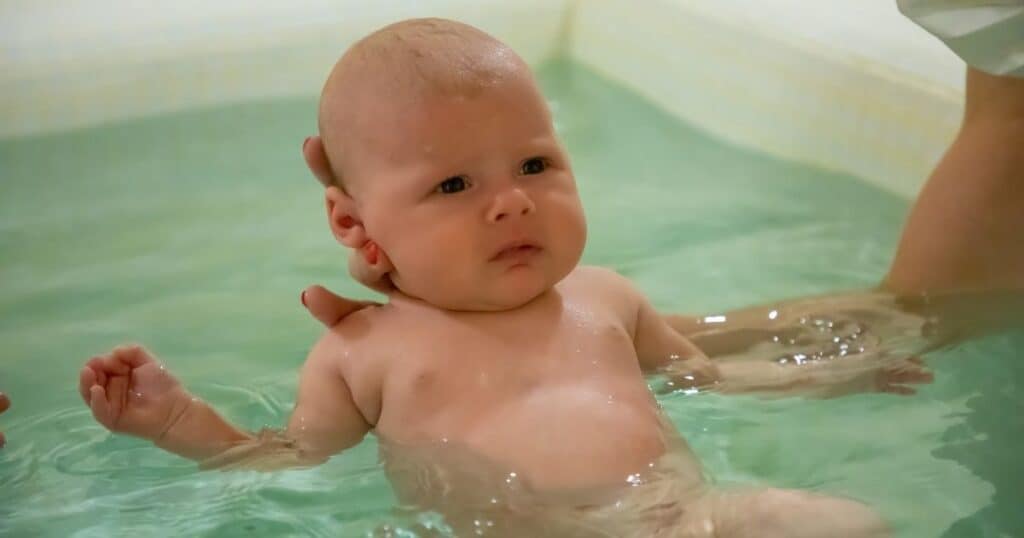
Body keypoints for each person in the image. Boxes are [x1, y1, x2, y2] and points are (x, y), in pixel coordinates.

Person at [75, 18, 920, 538]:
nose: (512, 204)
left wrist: (832, 375)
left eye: (534, 163)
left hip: (680, 520)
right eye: (454, 185)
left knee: (843, 524)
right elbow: (290, 462)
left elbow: (700, 382)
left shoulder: (607, 297)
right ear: (354, 225)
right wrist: (177, 422)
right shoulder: (363, 351)